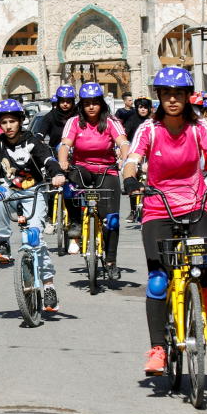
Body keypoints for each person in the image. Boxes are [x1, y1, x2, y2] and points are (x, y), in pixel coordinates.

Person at [121, 66, 207, 377]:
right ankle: (158, 348)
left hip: (195, 204)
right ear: (159, 96)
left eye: (179, 94)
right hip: (158, 208)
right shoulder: (148, 129)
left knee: (204, 261)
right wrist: (131, 180)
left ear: (188, 97)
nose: (173, 99)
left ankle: (202, 289)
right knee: (159, 279)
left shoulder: (199, 127)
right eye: (167, 94)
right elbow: (132, 159)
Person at [0, 99, 65, 309]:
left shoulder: (33, 141)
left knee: (36, 240)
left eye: (12, 121)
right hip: (10, 191)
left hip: (34, 191)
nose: (8, 126)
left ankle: (49, 286)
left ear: (21, 121)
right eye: (4, 122)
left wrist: (58, 174)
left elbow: (48, 160)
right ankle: (3, 242)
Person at [57, 82, 129, 273]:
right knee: (70, 184)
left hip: (107, 170)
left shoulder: (112, 121)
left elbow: (123, 142)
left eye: (95, 102)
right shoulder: (73, 122)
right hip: (82, 168)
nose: (91, 107)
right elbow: (65, 145)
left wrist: (124, 157)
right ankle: (75, 221)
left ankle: (111, 261)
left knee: (111, 219)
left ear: (102, 104)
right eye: (87, 103)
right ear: (81, 105)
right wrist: (63, 162)